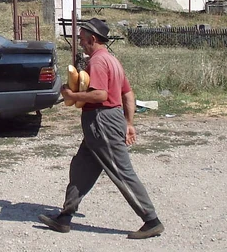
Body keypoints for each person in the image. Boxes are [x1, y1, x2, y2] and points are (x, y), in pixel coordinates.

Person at [39, 18, 164, 239]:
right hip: (103, 122)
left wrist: (71, 95)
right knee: (81, 169)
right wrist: (128, 123)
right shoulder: (112, 60)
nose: (80, 43)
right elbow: (128, 93)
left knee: (121, 170)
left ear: (93, 39)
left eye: (82, 39)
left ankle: (151, 220)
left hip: (101, 121)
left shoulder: (97, 62)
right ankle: (65, 217)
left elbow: (100, 94)